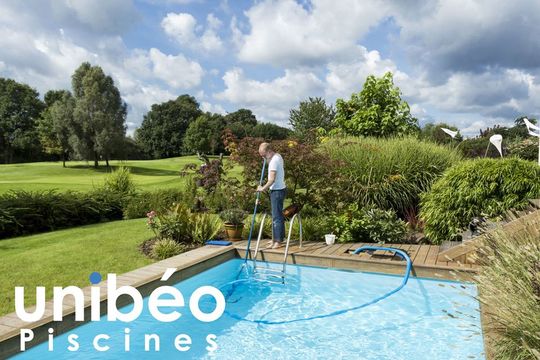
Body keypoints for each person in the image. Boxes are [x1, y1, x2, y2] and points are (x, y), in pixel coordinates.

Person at [256, 142, 286, 249]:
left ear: (269, 151)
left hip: (277, 191)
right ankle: (276, 238)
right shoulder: (277, 156)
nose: (263, 157)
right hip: (280, 189)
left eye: (263, 155)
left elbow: (272, 180)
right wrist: (266, 159)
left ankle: (277, 241)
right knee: (276, 215)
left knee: (276, 217)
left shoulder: (274, 161)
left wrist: (262, 188)